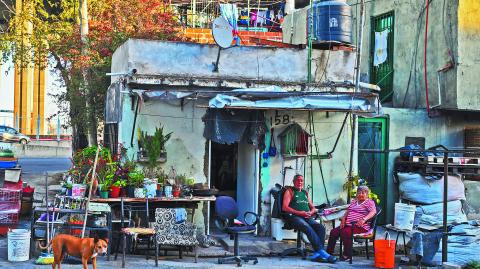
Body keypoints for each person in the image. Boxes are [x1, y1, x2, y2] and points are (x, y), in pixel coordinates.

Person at [282, 174, 336, 263]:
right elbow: (285, 207)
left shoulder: (305, 192)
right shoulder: (290, 191)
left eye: (301, 180)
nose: (300, 182)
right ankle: (322, 252)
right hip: (294, 217)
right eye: (298, 180)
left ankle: (317, 254)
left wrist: (311, 212)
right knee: (307, 227)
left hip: (306, 217)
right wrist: (300, 213)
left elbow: (313, 207)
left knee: (320, 228)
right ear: (294, 181)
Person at [326, 185, 377, 260]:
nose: (361, 194)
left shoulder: (369, 202)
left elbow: (373, 211)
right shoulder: (354, 202)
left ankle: (347, 255)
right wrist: (343, 219)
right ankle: (328, 253)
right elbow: (348, 211)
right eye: (359, 193)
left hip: (360, 226)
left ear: (367, 194)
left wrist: (364, 219)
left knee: (345, 232)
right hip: (349, 225)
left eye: (363, 193)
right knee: (334, 232)